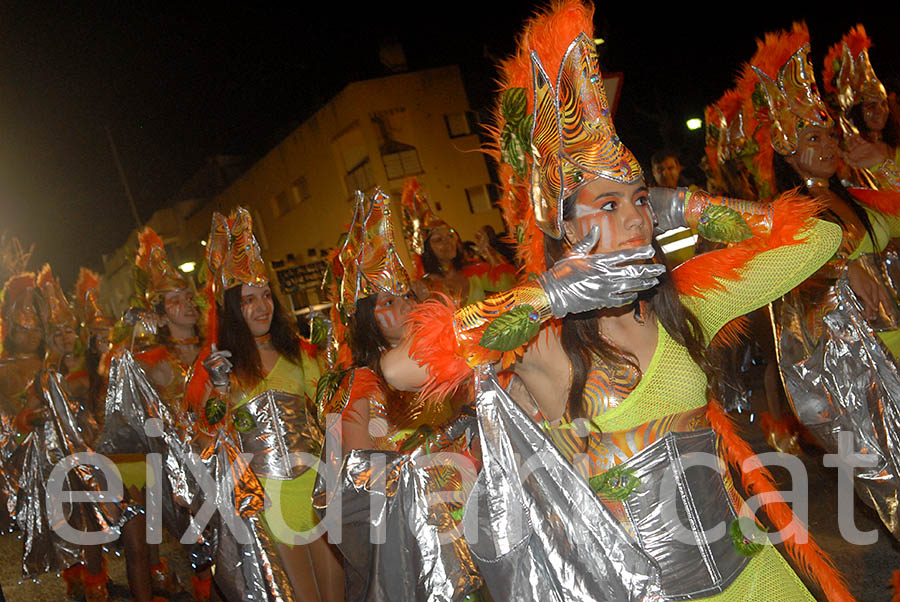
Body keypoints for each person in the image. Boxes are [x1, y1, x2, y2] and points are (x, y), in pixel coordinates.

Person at [383, 3, 852, 600]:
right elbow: (401, 368)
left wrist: (677, 204)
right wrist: (553, 295)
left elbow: (818, 236)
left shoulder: (683, 302)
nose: (633, 217)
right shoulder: (540, 337)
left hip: (757, 577)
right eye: (607, 205)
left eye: (637, 202)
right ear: (563, 226)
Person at [741, 23, 900, 544]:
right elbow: (787, 282)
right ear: (788, 150)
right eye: (813, 137)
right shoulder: (785, 216)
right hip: (861, 372)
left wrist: (886, 164)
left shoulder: (855, 195)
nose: (829, 143)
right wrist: (842, 264)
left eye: (830, 133)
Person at [314, 189, 482, 601]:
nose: (406, 306)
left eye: (408, 294)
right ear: (366, 319)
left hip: (476, 514)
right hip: (417, 545)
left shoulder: (446, 365)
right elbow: (363, 485)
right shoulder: (359, 386)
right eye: (388, 301)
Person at [187, 207, 343, 602]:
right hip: (269, 499)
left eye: (266, 296)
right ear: (233, 311)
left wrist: (334, 362)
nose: (262, 307)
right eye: (249, 300)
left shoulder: (300, 355)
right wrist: (219, 388)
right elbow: (205, 437)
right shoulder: (221, 368)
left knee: (338, 591)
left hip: (317, 490)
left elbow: (331, 414)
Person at [400, 178, 516, 305]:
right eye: (439, 240)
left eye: (450, 236)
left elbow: (508, 285)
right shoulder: (423, 286)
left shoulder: (472, 273)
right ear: (426, 249)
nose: (448, 242)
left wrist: (487, 251)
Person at [822, 24, 899, 191]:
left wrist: (882, 165)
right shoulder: (844, 157)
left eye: (883, 104)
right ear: (855, 111)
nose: (880, 111)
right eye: (871, 105)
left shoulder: (896, 149)